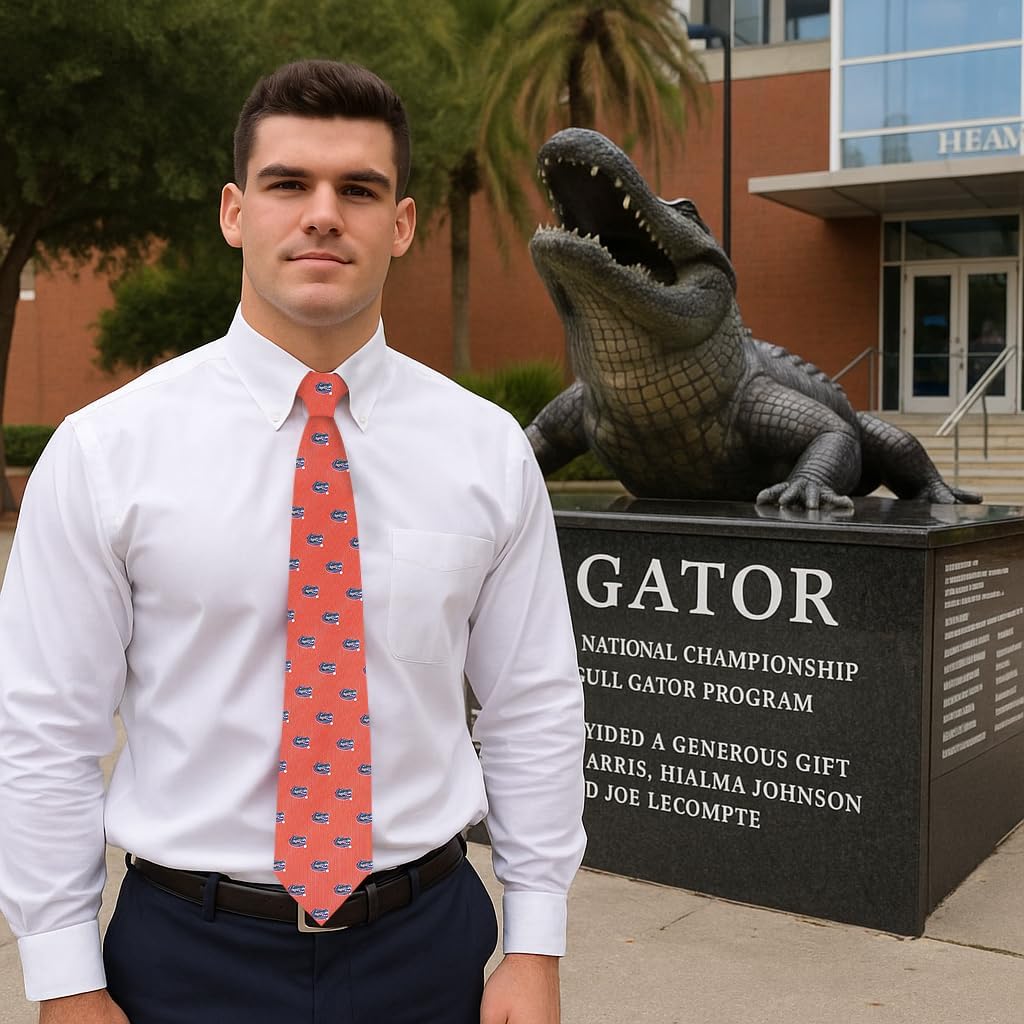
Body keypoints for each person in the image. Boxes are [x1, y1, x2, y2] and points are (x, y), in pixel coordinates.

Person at [0, 59, 585, 1024]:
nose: (323, 214)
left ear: (399, 223)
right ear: (236, 212)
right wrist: (63, 977)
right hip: (184, 956)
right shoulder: (108, 451)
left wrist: (537, 941)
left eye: (358, 189)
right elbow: (44, 729)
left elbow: (531, 706)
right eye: (288, 184)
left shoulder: (486, 451)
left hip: (428, 949)